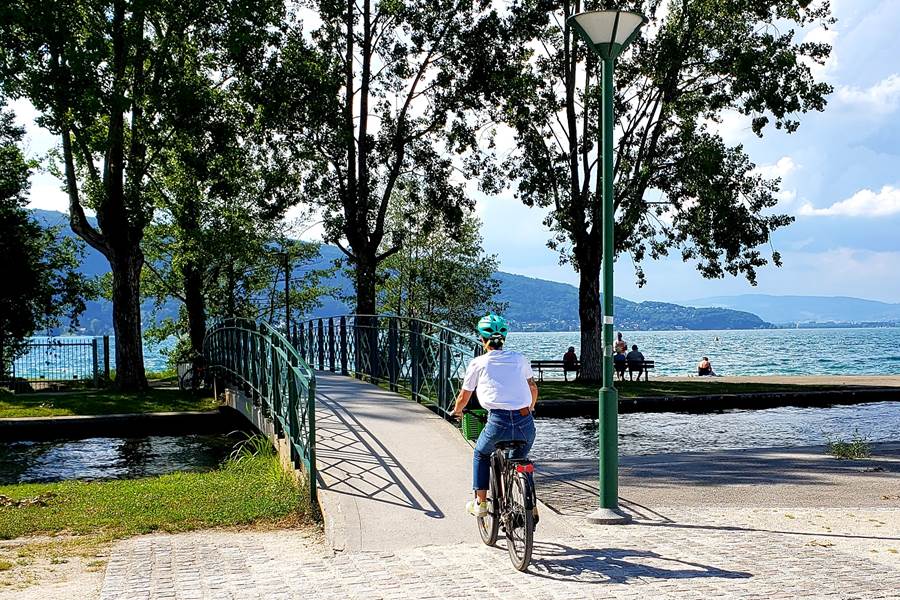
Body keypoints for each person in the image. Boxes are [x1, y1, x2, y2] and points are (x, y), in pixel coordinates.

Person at [452, 314, 538, 518]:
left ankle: (481, 503)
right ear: (504, 340)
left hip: (497, 422)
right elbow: (533, 388)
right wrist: (531, 408)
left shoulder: (478, 363)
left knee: (481, 454)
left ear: (482, 340)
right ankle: (531, 506)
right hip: (525, 421)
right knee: (520, 459)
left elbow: (464, 396)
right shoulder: (520, 359)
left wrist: (456, 411)